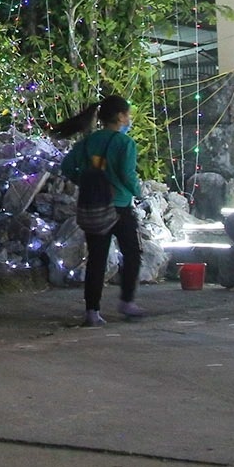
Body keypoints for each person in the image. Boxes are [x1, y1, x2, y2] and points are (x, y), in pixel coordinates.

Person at [61, 95, 143, 326]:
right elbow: (128, 175)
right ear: (120, 117)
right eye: (127, 114)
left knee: (96, 258)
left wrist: (85, 181)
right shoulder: (125, 143)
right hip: (120, 207)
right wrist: (138, 191)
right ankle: (126, 301)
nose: (129, 119)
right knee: (133, 253)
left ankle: (92, 311)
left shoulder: (88, 142)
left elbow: (67, 167)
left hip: (94, 207)